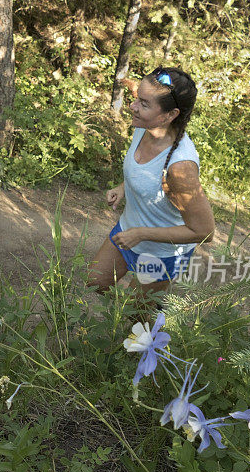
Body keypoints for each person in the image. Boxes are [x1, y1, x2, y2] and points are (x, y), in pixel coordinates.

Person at [88, 66, 215, 302]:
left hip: (159, 254)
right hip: (128, 231)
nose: (132, 106)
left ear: (169, 115)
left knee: (137, 313)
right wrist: (123, 187)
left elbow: (204, 231)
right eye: (137, 99)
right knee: (95, 282)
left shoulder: (180, 168)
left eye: (143, 103)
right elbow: (146, 172)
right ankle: (121, 318)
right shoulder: (145, 127)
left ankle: (148, 321)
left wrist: (141, 234)